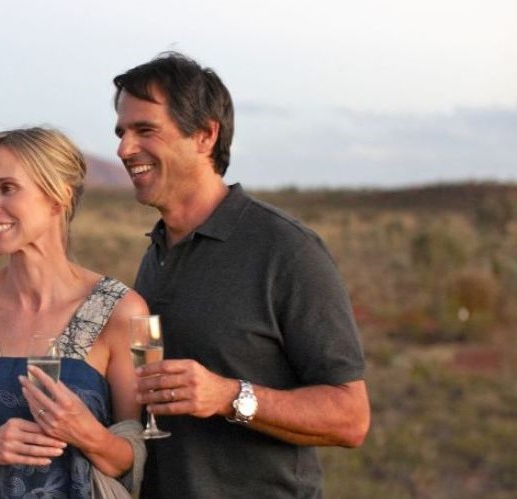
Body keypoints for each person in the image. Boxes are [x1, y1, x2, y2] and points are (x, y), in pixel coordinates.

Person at [112, 52, 371, 498]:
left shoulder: (286, 250)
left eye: (145, 130)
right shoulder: (155, 251)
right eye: (121, 133)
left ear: (205, 135)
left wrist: (228, 396)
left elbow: (351, 417)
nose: (123, 149)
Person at [0, 127, 149, 498]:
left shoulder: (123, 310)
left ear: (58, 197)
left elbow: (138, 456)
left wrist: (86, 434)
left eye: (7, 188)